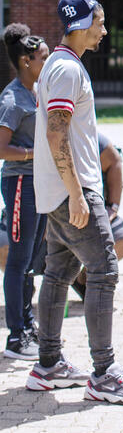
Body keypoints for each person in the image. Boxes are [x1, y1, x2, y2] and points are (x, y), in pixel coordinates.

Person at [28, 0, 123, 403]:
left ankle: (48, 365)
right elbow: (55, 134)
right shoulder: (64, 69)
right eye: (99, 22)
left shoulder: (59, 65)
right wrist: (78, 196)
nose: (104, 30)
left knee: (59, 275)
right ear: (80, 24)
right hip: (73, 193)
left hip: (59, 192)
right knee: (104, 271)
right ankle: (104, 373)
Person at [0, 25, 49, 360]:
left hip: (39, 184)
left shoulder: (37, 91)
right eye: (43, 58)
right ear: (26, 60)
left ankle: (28, 325)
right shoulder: (13, 98)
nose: (48, 62)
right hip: (20, 184)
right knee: (18, 260)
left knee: (32, 260)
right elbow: (2, 149)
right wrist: (35, 153)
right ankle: (16, 337)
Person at [70, 132, 123, 301]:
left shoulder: (90, 135)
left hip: (90, 211)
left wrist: (113, 206)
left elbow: (114, 160)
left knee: (121, 237)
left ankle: (85, 281)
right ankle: (24, 288)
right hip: (55, 213)